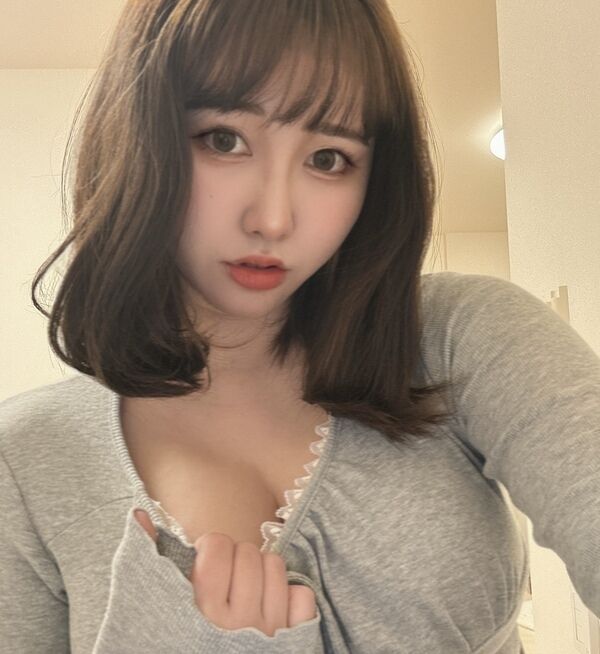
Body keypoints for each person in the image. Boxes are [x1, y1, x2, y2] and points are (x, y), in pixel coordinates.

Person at [1, 1, 599, 652]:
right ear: (139, 138)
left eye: (329, 157)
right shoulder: (27, 460)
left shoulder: (464, 336)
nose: (274, 218)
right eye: (223, 139)